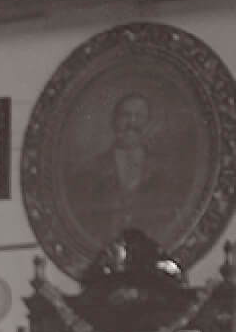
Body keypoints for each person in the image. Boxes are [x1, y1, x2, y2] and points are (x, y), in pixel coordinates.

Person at [67, 91, 180, 248]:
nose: (131, 122)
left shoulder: (163, 170)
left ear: (148, 123)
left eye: (139, 116)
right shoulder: (91, 170)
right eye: (125, 115)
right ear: (114, 121)